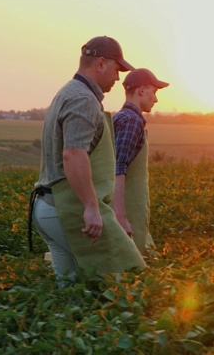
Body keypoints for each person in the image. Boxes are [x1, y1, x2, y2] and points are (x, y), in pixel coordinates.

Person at [30, 36, 145, 284]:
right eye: (117, 70)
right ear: (101, 64)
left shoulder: (67, 91)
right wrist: (92, 209)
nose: (118, 78)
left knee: (69, 285)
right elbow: (73, 154)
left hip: (47, 206)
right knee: (120, 274)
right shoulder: (83, 99)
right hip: (66, 209)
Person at [112, 68, 169, 256]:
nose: (156, 99)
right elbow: (117, 168)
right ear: (142, 90)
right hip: (127, 212)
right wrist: (120, 217)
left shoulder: (121, 117)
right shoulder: (131, 120)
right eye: (154, 92)